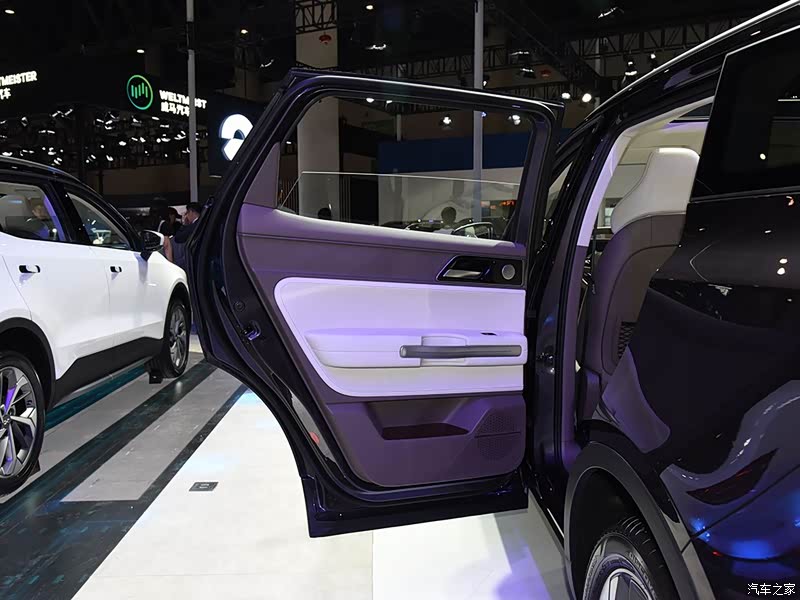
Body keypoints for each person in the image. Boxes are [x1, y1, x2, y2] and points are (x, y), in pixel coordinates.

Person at [171, 202, 202, 271]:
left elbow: (179, 238)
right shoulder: (202, 222)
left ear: (190, 212)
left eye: (187, 213)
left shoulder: (195, 225)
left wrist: (184, 224)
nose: (186, 216)